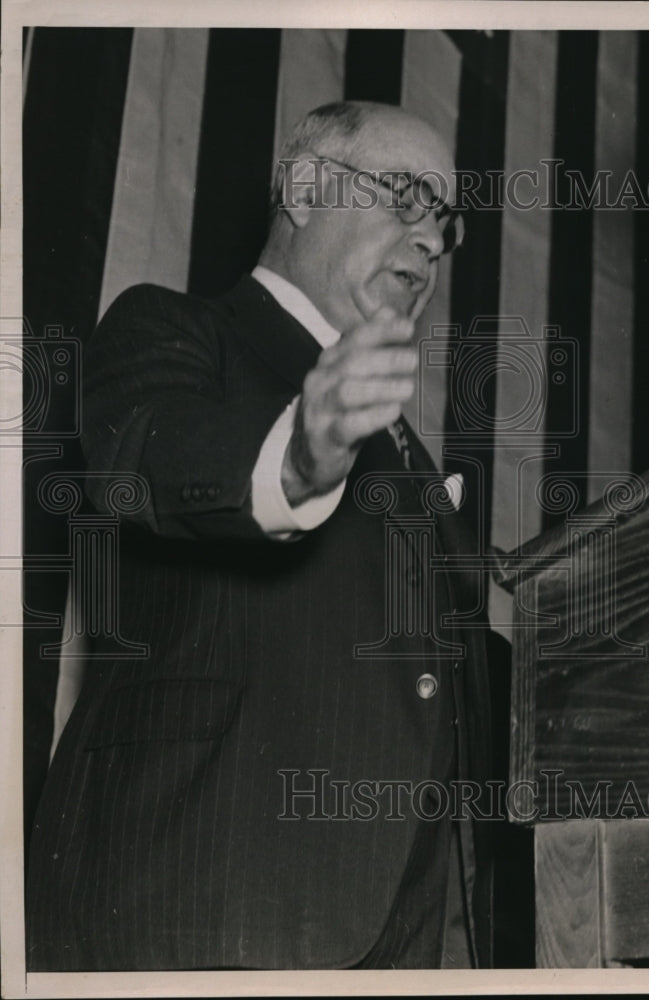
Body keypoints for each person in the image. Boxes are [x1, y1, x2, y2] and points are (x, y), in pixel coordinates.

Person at [26, 101, 495, 971]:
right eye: (406, 195)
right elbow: (148, 456)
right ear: (306, 189)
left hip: (390, 939)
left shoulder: (409, 454)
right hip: (193, 903)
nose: (432, 239)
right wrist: (300, 458)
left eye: (446, 220)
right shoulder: (176, 330)